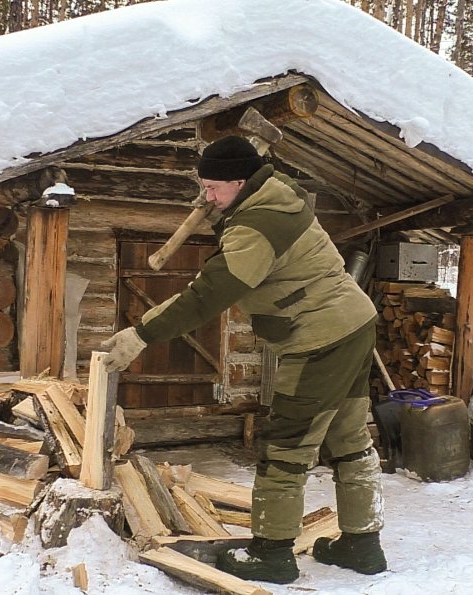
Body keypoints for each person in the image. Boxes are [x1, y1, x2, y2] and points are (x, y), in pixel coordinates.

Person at [101, 135, 387, 584]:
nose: (206, 197)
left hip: (321, 338)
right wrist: (220, 206)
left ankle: (271, 553)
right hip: (351, 324)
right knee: (348, 437)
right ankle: (362, 544)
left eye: (213, 188)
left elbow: (209, 293)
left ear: (240, 182)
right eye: (203, 187)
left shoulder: (256, 226)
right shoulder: (275, 194)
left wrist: (143, 333)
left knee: (285, 445)